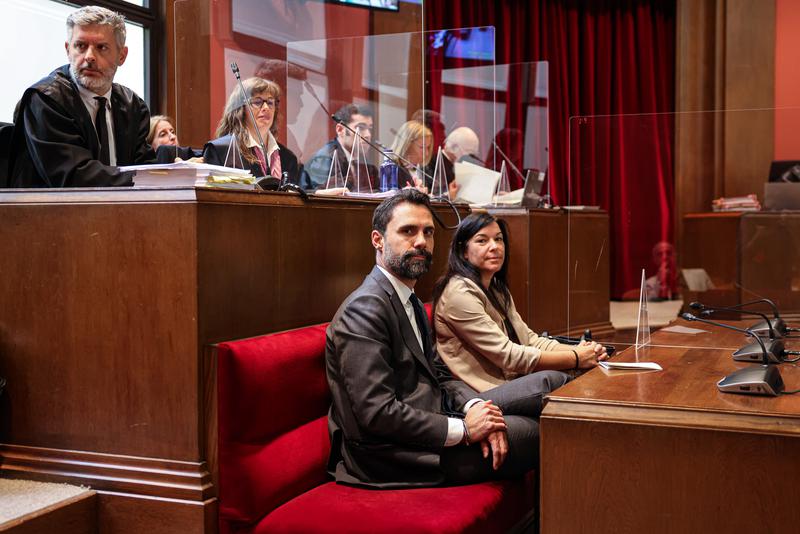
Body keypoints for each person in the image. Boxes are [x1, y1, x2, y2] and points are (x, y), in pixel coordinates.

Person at [326, 189, 570, 488]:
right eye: (408, 231)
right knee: (542, 429)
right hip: (392, 456)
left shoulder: (408, 299)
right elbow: (376, 413)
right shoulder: (364, 308)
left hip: (437, 418)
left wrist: (474, 409)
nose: (420, 242)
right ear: (378, 239)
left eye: (428, 232)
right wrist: (465, 430)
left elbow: (438, 373)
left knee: (548, 411)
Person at [433, 213, 608, 394]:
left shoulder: (496, 288)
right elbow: (509, 356)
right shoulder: (459, 294)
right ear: (463, 252)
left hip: (512, 378)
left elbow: (530, 340)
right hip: (483, 394)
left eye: (499, 239)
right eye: (482, 241)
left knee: (596, 364)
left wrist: (583, 350)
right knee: (555, 378)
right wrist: (575, 358)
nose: (495, 247)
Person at [8, 5, 155, 188]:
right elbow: (74, 177)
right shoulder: (46, 99)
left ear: (122, 56)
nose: (89, 57)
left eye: (101, 47)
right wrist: (147, 179)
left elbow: (145, 165)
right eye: (81, 46)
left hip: (121, 211)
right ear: (68, 50)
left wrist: (181, 173)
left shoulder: (133, 105)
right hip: (51, 213)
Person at [203, 77, 300, 185]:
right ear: (240, 109)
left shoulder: (288, 158)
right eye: (257, 102)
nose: (266, 107)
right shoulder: (220, 151)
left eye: (270, 102)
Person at [303, 103, 376, 191]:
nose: (368, 135)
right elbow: (326, 198)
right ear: (340, 130)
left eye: (370, 128)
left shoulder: (362, 160)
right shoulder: (325, 158)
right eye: (360, 127)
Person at [424, 126, 480, 199]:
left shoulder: (448, 165)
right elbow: (434, 193)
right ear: (454, 147)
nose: (470, 159)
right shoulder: (435, 163)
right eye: (470, 154)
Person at [390, 120, 433, 193]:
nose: (426, 153)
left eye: (428, 148)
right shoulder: (393, 169)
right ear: (407, 145)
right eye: (422, 147)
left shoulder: (425, 170)